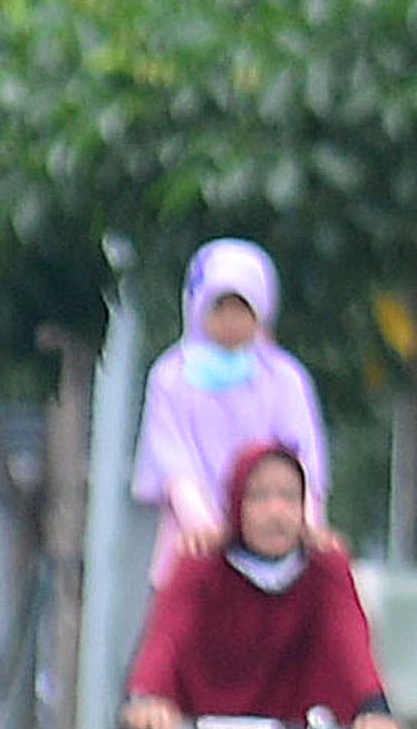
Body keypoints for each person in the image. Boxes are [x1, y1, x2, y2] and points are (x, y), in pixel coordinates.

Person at [119, 444, 401, 729]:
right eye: (260, 497)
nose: (276, 512)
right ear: (236, 504)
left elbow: (349, 640)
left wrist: (373, 709)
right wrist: (149, 700)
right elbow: (168, 639)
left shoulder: (324, 569)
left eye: (289, 498)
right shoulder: (201, 566)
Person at [134, 242, 337, 566]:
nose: (231, 320)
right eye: (220, 308)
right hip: (195, 545)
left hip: (275, 545)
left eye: (242, 308)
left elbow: (304, 459)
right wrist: (203, 524)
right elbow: (172, 461)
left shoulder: (283, 378)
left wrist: (306, 522)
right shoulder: (171, 377)